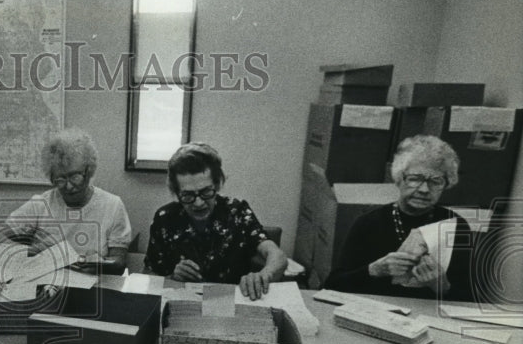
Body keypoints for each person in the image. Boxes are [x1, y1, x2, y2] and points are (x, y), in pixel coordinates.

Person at [323, 135, 475, 301]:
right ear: (398, 179)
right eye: (415, 179)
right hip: (374, 314)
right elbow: (332, 285)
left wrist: (443, 287)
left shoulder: (455, 226)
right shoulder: (368, 223)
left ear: (446, 184)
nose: (424, 189)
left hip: (429, 319)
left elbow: (473, 299)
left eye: (436, 181)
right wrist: (374, 270)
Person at [143, 142, 287, 300]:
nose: (198, 203)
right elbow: (149, 275)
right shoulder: (165, 218)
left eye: (206, 192)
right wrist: (172, 278)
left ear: (217, 184)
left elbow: (277, 256)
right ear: (176, 193)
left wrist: (262, 276)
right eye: (188, 196)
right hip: (183, 306)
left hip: (230, 303)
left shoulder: (237, 212)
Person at [0, 129, 131, 274]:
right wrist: (34, 251)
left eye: (75, 177)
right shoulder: (41, 204)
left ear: (89, 171)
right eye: (60, 179)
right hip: (46, 285)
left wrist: (100, 264)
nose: (68, 186)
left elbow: (119, 262)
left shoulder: (112, 205)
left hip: (93, 286)